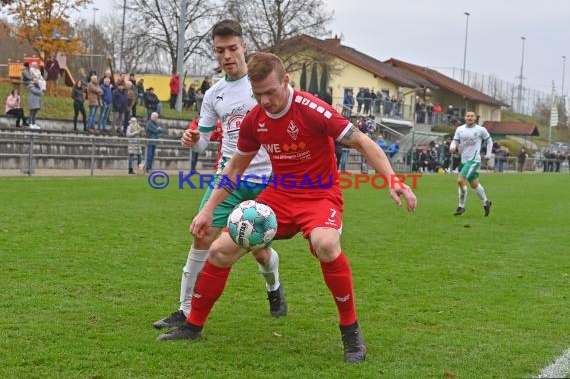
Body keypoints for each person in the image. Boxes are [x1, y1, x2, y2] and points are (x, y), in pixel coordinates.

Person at [158, 52, 417, 363]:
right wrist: (208, 210)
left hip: (320, 196)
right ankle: (193, 325)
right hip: (279, 197)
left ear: (285, 81)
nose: (265, 100)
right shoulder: (256, 120)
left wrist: (392, 179)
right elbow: (234, 169)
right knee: (219, 250)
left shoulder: (312, 109)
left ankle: (351, 333)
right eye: (258, 94)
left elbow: (362, 141)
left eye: (271, 92)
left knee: (326, 244)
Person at [152, 19, 287, 332]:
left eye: (232, 48)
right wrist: (192, 141)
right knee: (200, 233)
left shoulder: (261, 86)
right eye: (219, 50)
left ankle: (273, 285)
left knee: (260, 251)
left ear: (244, 47)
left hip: (267, 180)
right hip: (229, 178)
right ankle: (185, 311)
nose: (227, 55)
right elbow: (202, 142)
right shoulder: (214, 94)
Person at [449, 110, 493, 217]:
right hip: (464, 160)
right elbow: (455, 140)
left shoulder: (481, 129)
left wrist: (488, 154)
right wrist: (452, 146)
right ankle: (486, 202)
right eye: (468, 116)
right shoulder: (460, 129)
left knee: (460, 180)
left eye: (472, 116)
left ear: (475, 118)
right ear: (465, 118)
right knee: (474, 184)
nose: (470, 117)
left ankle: (461, 206)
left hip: (474, 160)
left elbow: (489, 141)